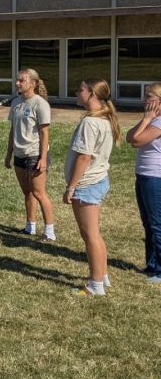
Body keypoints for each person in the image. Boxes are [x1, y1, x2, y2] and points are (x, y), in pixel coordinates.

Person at [64, 79, 121, 297]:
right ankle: (102, 276)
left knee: (90, 236)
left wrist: (71, 188)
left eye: (80, 90)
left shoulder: (90, 122)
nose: (77, 93)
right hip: (97, 181)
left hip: (87, 184)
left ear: (91, 95)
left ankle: (95, 285)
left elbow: (84, 157)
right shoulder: (103, 118)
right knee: (94, 234)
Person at [5, 69, 55, 241]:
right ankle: (30, 227)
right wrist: (9, 153)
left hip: (35, 154)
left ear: (32, 83)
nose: (17, 83)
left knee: (39, 192)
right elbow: (13, 130)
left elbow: (44, 133)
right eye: (17, 80)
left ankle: (49, 232)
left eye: (21, 80)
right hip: (20, 153)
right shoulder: (16, 103)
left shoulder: (40, 104)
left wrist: (42, 158)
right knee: (27, 193)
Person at [126, 82, 161, 282]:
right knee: (148, 224)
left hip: (155, 178)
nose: (144, 100)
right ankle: (152, 265)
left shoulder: (159, 122)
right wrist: (145, 118)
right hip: (143, 176)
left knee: (157, 224)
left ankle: (160, 269)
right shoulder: (151, 120)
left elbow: (138, 142)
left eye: (148, 97)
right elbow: (130, 137)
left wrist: (148, 119)